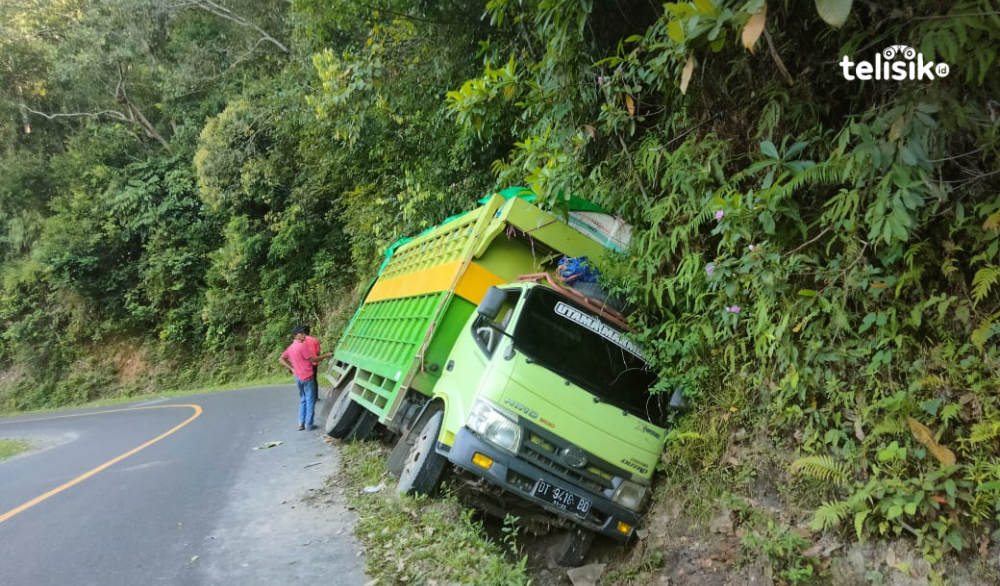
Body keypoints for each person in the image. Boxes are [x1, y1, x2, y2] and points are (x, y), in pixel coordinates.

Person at [279, 325, 321, 431]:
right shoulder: (302, 346)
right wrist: (326, 356)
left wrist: (292, 368)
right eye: (301, 333)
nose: (304, 335)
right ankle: (309, 425)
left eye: (303, 333)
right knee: (310, 400)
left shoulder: (291, 347)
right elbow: (312, 359)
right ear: (296, 335)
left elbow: (281, 359)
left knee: (303, 399)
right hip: (307, 377)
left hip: (298, 377)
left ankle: (301, 423)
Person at [301, 324, 332, 402]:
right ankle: (315, 397)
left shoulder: (300, 341)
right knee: (314, 380)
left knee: (305, 380)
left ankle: (307, 397)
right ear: (309, 331)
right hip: (314, 363)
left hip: (304, 363)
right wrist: (318, 360)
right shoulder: (315, 340)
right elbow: (318, 352)